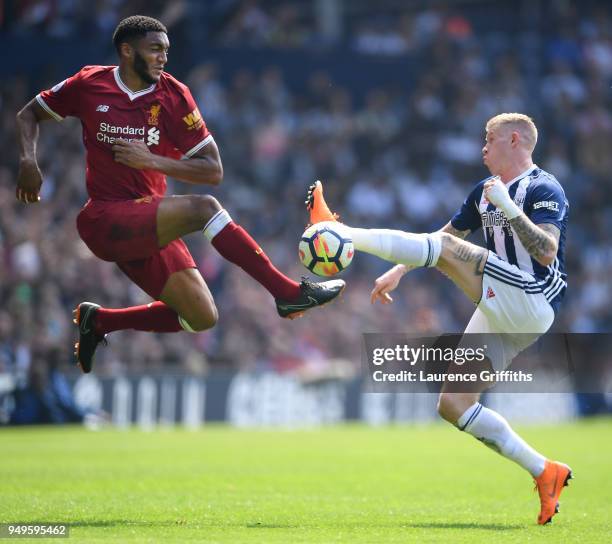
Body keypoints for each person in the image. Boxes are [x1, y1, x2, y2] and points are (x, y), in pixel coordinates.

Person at [15, 15, 345, 374]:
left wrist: (150, 159)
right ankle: (286, 293)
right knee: (205, 210)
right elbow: (28, 114)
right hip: (105, 218)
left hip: (148, 222)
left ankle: (100, 322)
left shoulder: (173, 95)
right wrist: (29, 161)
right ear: (127, 51)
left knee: (202, 316)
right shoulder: (89, 83)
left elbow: (213, 170)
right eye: (155, 49)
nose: (163, 58)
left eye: (166, 51)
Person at [307, 113, 571, 525]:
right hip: (503, 308)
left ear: (515, 140)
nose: (482, 147)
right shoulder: (484, 193)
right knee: (453, 404)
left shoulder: (543, 187)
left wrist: (508, 208)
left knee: (446, 250)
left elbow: (547, 252)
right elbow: (445, 236)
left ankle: (339, 231)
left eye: (489, 139)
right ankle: (545, 471)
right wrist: (400, 270)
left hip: (533, 299)